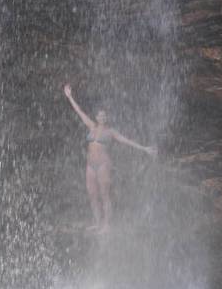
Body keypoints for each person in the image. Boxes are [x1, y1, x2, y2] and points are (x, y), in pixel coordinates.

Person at [63, 84, 156, 233]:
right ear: (96, 117)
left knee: (104, 194)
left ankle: (107, 225)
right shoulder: (91, 126)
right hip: (90, 165)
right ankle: (97, 222)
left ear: (107, 118)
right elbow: (79, 111)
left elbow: (126, 141)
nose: (102, 117)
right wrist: (69, 97)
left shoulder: (111, 132)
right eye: (100, 115)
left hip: (103, 165)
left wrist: (144, 148)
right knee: (92, 195)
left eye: (104, 116)